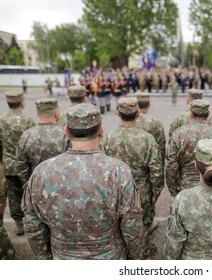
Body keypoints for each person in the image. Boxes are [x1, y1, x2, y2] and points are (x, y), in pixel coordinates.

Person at [22, 104, 144, 260]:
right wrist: (135, 258)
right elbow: (132, 224)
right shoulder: (118, 171)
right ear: (101, 130)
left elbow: (33, 223)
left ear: (66, 131)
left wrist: (45, 257)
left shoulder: (42, 171)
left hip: (63, 257)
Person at [100, 97, 163, 259]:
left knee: (116, 229)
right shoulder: (147, 139)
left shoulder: (107, 138)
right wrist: (154, 195)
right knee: (142, 230)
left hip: (114, 191)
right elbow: (156, 172)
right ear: (137, 115)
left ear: (117, 113)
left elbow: (101, 169)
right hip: (140, 192)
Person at [166, 99, 212, 197]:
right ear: (208, 114)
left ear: (191, 114)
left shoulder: (180, 134)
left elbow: (171, 164)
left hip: (186, 188)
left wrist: (174, 191)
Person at [0, 91, 35, 236]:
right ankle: (31, 223)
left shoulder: (1, 120)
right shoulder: (28, 121)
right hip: (26, 165)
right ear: (22, 102)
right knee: (29, 194)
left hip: (8, 164)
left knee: (13, 194)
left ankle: (19, 223)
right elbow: (32, 144)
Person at [16, 98, 69, 186]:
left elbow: (21, 165)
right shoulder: (66, 134)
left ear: (37, 114)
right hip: (62, 186)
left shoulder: (27, 135)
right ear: (57, 113)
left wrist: (29, 184)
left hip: (37, 186)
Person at [135, 92, 166, 172]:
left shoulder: (129, 120)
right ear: (149, 105)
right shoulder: (156, 122)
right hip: (148, 167)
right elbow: (161, 147)